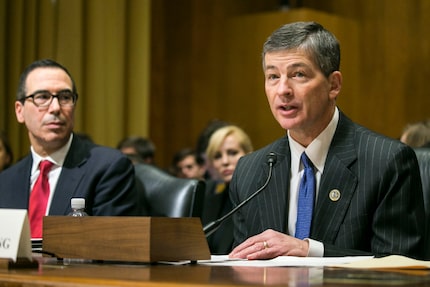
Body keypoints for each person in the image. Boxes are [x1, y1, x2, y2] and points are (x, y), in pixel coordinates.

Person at [228, 22, 427, 260]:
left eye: (298, 74)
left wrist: (310, 251)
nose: (282, 90)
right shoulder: (249, 172)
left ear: (334, 85)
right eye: (272, 76)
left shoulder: (386, 161)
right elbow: (242, 268)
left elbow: (400, 267)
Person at [0, 59, 142, 238]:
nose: (55, 108)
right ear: (19, 111)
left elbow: (113, 251)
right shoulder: (5, 181)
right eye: (42, 97)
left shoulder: (108, 168)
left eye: (65, 97)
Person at [203, 125, 253, 254]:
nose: (224, 161)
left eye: (232, 153)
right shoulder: (209, 201)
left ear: (249, 154)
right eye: (217, 156)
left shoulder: (259, 199)